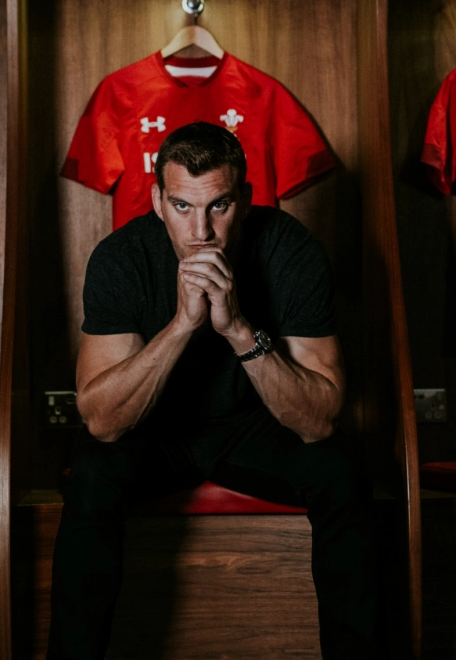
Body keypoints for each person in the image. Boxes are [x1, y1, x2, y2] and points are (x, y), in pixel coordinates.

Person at [47, 122, 379, 660]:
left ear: (244, 199)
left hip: (254, 429)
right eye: (181, 207)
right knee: (90, 473)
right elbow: (103, 420)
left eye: (218, 206)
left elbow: (318, 420)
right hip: (155, 433)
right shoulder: (122, 257)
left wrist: (237, 329)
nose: (201, 231)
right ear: (157, 201)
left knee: (341, 470)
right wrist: (180, 326)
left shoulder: (290, 250)